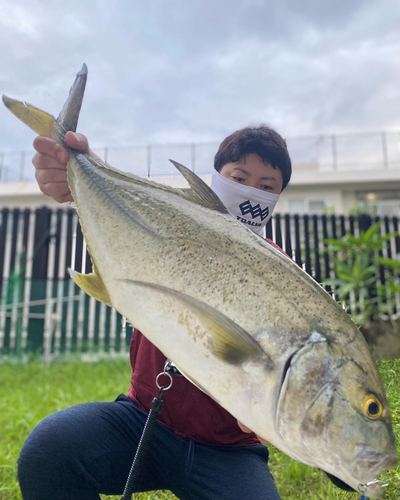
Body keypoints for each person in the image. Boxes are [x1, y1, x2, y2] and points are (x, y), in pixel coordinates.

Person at [18, 125, 292, 500]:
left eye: (267, 185)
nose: (251, 192)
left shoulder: (281, 272)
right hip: (144, 420)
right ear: (216, 179)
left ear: (279, 195)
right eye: (240, 178)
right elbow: (130, 208)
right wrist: (81, 172)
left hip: (229, 450)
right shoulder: (174, 226)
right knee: (50, 450)